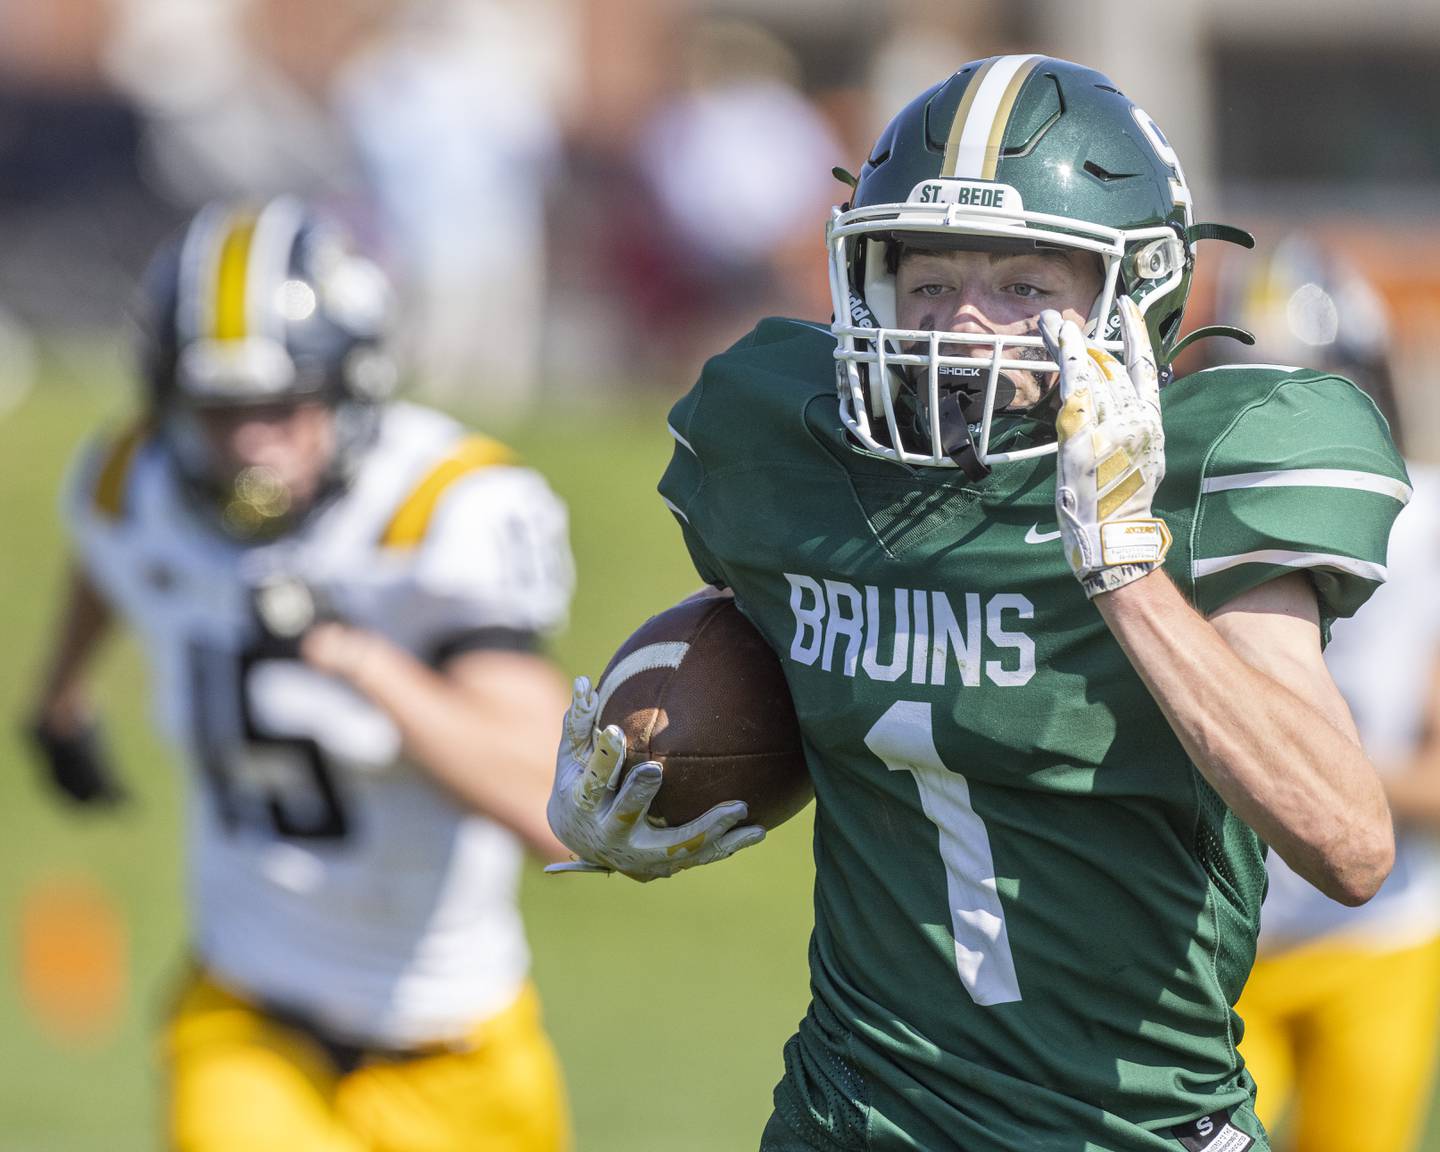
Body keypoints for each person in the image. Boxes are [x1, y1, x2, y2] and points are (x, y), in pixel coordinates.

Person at [547, 55, 1407, 1151]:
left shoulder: (1210, 475)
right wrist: (631, 769)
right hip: (850, 1114)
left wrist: (1128, 571)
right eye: (931, 281)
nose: (963, 327)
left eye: (1024, 288)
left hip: (1123, 1128)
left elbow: (1348, 842)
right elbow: (779, 639)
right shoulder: (791, 448)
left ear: (1130, 294)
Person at [28, 195, 575, 1152]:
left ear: (353, 388)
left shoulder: (441, 511)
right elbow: (110, 552)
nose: (250, 446)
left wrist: (362, 661)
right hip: (248, 1017)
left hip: (458, 1044)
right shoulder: (135, 480)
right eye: (219, 410)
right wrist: (60, 696)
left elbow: (552, 812)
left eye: (282, 408)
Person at [1223, 237, 1440, 1152]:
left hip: (1378, 940)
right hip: (1222, 946)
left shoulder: (1426, 532)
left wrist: (1304, 773)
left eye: (1304, 393)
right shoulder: (1174, 528)